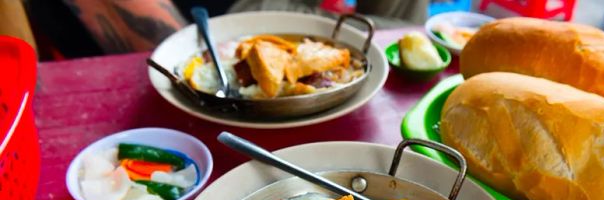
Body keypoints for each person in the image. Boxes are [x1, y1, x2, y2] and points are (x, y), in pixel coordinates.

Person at [25, 0, 429, 58]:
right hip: (218, 19)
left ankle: (413, 54)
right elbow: (182, 51)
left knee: (406, 35)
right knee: (396, 36)